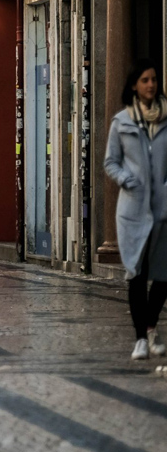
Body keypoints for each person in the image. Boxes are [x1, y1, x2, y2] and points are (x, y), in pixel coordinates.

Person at [103, 59, 167, 360]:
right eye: (144, 80)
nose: (151, 84)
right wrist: (126, 179)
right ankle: (141, 338)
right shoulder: (122, 122)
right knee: (137, 274)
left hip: (163, 209)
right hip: (133, 210)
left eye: (153, 79)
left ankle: (152, 326)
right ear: (134, 85)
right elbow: (110, 162)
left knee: (164, 275)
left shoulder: (166, 121)